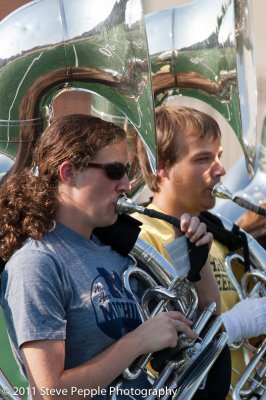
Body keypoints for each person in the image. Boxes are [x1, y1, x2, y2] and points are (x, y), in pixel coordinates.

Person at [0, 114, 218, 400]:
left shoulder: (117, 251)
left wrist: (192, 256)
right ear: (69, 173)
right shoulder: (37, 263)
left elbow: (210, 319)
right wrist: (137, 342)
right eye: (115, 171)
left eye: (127, 171)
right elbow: (50, 393)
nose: (127, 185)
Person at [134, 105, 266, 397]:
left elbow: (254, 339)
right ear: (162, 167)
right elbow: (152, 354)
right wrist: (235, 325)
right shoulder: (141, 236)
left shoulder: (224, 236)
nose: (220, 169)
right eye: (203, 159)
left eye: (218, 156)